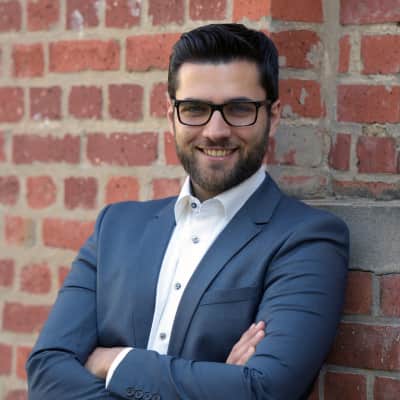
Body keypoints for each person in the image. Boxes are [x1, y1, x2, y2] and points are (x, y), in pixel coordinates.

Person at [27, 23, 349, 399]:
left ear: (272, 116)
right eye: (195, 109)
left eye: (239, 109)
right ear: (171, 116)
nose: (215, 130)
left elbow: (264, 390)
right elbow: (46, 376)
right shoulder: (115, 228)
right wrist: (215, 382)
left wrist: (114, 362)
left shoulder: (307, 238)